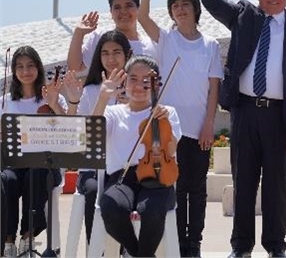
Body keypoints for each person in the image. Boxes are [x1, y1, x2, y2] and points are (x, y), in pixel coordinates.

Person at [198, 0, 286, 258]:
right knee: (244, 182)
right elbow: (213, 2)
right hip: (245, 111)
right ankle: (241, 247)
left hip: (280, 117)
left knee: (276, 186)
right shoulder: (245, 15)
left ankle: (276, 247)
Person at [137, 0, 223, 257]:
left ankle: (192, 243)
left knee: (195, 189)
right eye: (175, 7)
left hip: (199, 128)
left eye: (185, 5)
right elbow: (142, 16)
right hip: (168, 130)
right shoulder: (165, 39)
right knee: (170, 187)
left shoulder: (209, 44)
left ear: (195, 9)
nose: (180, 10)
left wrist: (209, 124)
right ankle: (173, 240)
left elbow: (213, 87)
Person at [92, 55, 181, 258]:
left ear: (156, 83)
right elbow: (93, 136)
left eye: (146, 80)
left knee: (152, 209)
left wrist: (164, 123)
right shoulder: (113, 112)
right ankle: (138, 254)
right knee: (111, 206)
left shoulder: (168, 112)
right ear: (124, 81)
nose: (139, 85)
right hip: (122, 178)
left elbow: (172, 149)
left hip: (157, 175)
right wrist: (102, 98)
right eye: (133, 78)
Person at [62, 30, 132, 247]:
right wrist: (75, 102)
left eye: (117, 53)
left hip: (124, 167)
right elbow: (80, 138)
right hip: (93, 167)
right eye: (105, 53)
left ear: (128, 55)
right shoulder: (90, 91)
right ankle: (97, 249)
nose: (111, 59)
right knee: (93, 189)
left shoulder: (138, 88)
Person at [1, 46, 67, 258]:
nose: (25, 71)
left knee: (36, 173)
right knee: (6, 179)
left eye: (30, 65)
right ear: (13, 71)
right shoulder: (5, 102)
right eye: (19, 67)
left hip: (45, 164)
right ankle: (8, 240)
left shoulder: (51, 97)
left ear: (38, 68)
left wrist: (54, 103)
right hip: (14, 163)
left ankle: (28, 238)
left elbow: (69, 128)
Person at [66, 0, 155, 73]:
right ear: (111, 12)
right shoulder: (100, 37)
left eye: (129, 5)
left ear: (138, 9)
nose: (123, 11)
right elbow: (75, 68)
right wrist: (79, 33)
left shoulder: (150, 45)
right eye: (117, 7)